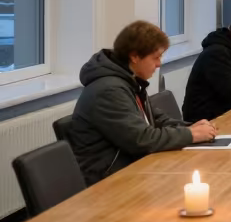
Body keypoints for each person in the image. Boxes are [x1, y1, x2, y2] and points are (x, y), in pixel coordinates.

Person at [68, 20, 219, 185]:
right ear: (134, 56)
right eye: (156, 57)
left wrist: (191, 127)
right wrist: (191, 135)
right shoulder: (109, 90)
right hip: (109, 181)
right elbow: (141, 139)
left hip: (134, 168)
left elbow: (156, 120)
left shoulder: (128, 80)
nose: (159, 63)